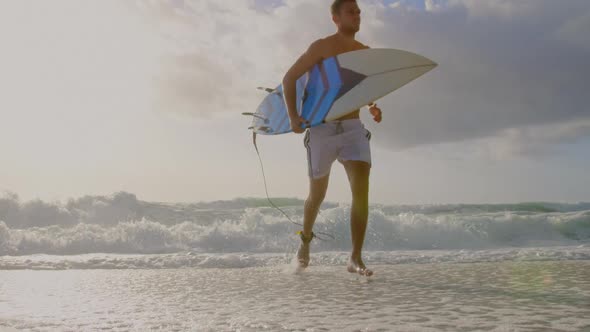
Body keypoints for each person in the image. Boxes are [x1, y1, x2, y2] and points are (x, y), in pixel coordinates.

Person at [281, 0, 382, 277]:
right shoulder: (321, 48)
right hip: (322, 130)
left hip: (352, 128)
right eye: (351, 11)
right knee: (317, 195)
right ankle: (305, 242)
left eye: (359, 11)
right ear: (336, 18)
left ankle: (355, 257)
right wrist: (293, 117)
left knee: (361, 191)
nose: (357, 15)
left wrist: (373, 105)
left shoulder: (364, 53)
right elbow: (289, 79)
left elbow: (365, 89)